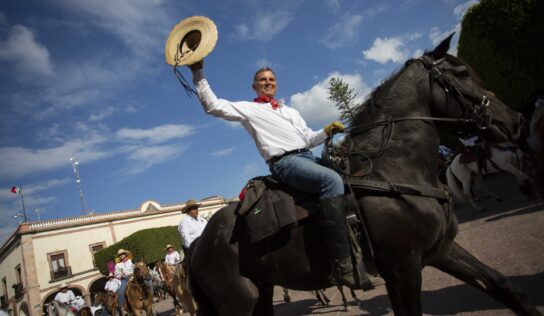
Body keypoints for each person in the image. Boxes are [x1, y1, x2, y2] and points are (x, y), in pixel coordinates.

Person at [189, 62, 354, 287]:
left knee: (350, 176)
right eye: (263, 80)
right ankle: (343, 263)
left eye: (272, 79)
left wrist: (326, 131)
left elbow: (307, 139)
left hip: (308, 156)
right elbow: (212, 105)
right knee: (331, 180)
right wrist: (198, 72)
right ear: (254, 86)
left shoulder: (290, 111)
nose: (268, 82)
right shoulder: (249, 109)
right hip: (285, 162)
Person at [114, 249, 134, 313]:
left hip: (133, 277)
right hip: (124, 279)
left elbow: (135, 267)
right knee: (121, 292)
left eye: (122, 254)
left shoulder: (130, 261)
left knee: (144, 282)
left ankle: (151, 299)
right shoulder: (117, 265)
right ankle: (122, 308)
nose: (121, 256)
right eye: (119, 255)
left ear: (125, 254)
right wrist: (121, 276)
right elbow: (116, 274)